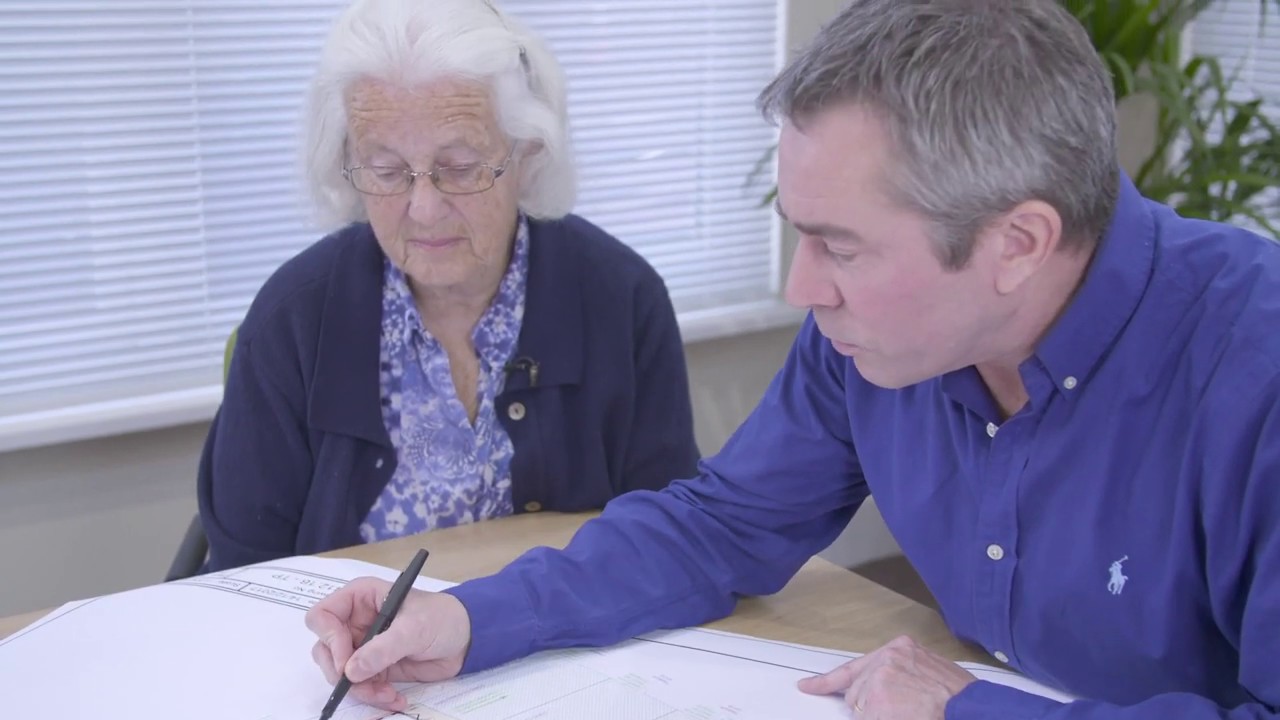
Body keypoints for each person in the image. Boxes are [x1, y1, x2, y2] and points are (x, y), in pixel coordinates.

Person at [304, 0, 1280, 717]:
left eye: (841, 247)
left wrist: (966, 713)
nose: (800, 291)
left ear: (1016, 244)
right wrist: (469, 620)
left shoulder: (1252, 370)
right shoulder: (863, 340)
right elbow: (716, 527)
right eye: (796, 234)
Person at [195, 0, 700, 572]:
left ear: (526, 155)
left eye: (460, 167)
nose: (425, 209)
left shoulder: (621, 300)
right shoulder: (292, 321)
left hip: (567, 646)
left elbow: (668, 534)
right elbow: (244, 575)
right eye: (386, 171)